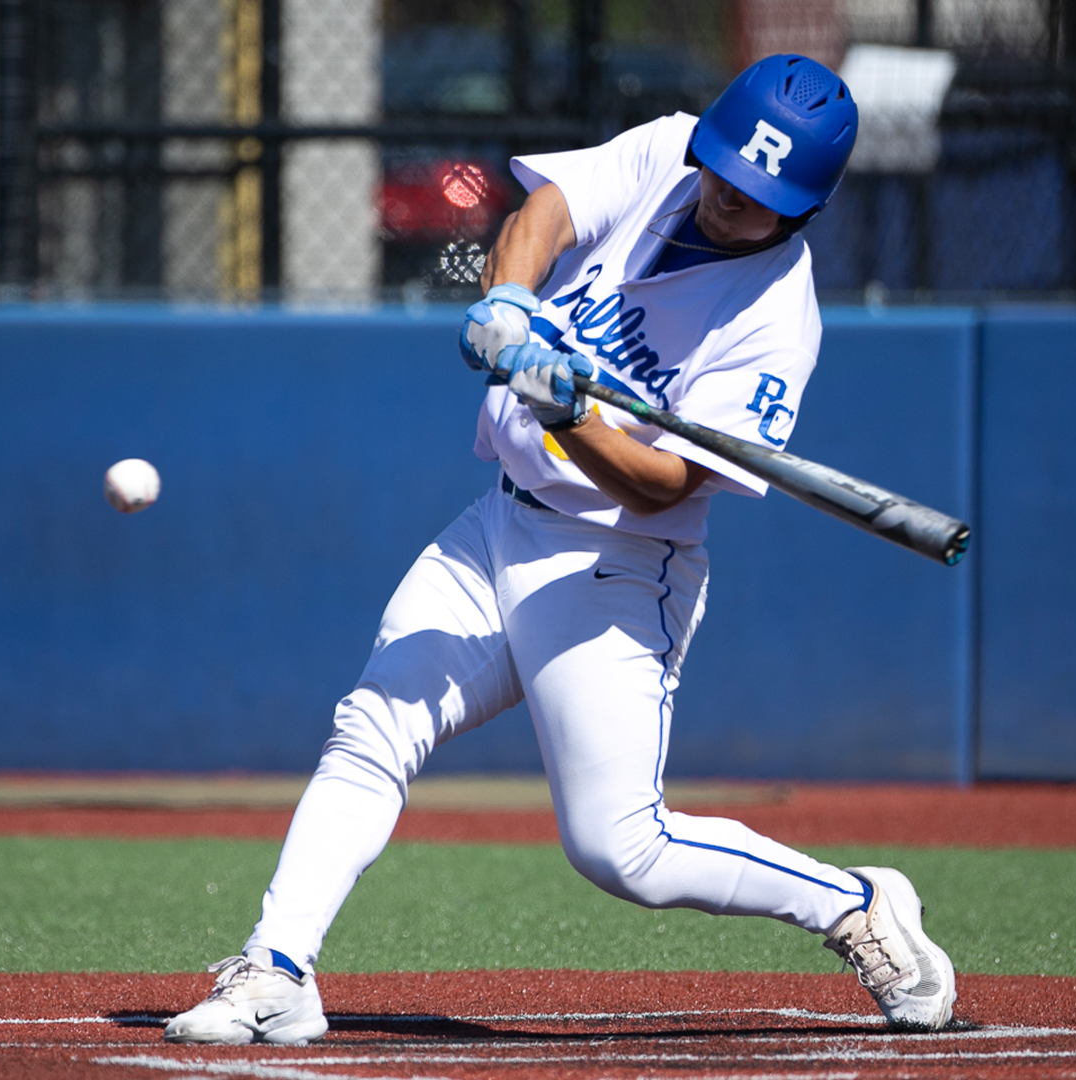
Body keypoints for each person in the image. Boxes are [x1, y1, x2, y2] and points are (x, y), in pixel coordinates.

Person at [163, 54, 957, 1046]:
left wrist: (567, 411)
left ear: (803, 208)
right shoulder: (667, 150)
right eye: (724, 171)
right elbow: (543, 216)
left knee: (622, 850)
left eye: (759, 196)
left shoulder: (775, 322)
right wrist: (509, 301)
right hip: (500, 521)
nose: (728, 197)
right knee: (373, 723)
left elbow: (663, 483)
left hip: (617, 564)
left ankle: (855, 904)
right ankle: (278, 969)